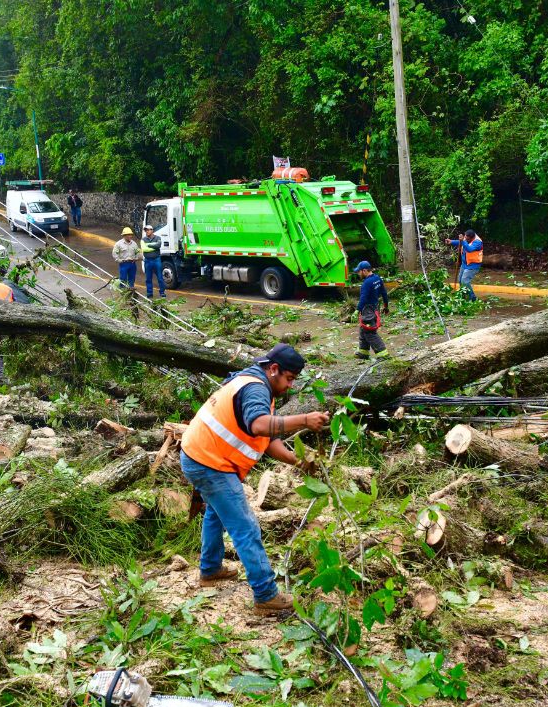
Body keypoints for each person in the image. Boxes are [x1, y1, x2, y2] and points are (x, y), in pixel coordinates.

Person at [179, 344, 331, 616]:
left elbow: (267, 440)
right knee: (246, 526)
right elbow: (260, 424)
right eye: (289, 379)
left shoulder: (256, 384)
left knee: (215, 512)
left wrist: (299, 461)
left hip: (202, 456)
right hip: (209, 462)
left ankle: (210, 570)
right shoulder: (256, 389)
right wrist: (304, 420)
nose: (290, 386)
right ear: (274, 369)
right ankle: (265, 594)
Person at [352, 260, 389, 359]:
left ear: (364, 271)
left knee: (369, 331)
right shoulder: (377, 278)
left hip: (368, 309)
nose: (358, 274)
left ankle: (383, 353)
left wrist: (357, 310)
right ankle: (363, 352)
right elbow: (384, 293)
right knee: (363, 328)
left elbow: (363, 299)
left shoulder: (366, 283)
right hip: (375, 308)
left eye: (359, 272)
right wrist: (386, 306)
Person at [445, 229, 483, 300]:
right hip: (465, 264)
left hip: (473, 265)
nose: (465, 239)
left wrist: (462, 241)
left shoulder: (478, 242)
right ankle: (464, 295)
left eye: (467, 239)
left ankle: (473, 298)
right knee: (460, 280)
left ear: (472, 238)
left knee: (465, 281)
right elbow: (462, 242)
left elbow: (469, 249)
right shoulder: (467, 238)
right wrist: (451, 242)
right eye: (465, 238)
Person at [112, 227, 141, 291]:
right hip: (124, 263)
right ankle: (122, 290)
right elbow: (114, 253)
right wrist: (119, 260)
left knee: (132, 277)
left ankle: (131, 289)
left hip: (132, 263)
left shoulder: (134, 243)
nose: (130, 236)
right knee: (123, 278)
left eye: (131, 235)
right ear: (124, 236)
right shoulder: (118, 244)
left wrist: (136, 258)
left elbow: (138, 252)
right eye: (128, 235)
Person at [141, 225, 166, 298]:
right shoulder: (143, 239)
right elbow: (144, 249)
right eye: (146, 230)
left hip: (156, 260)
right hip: (147, 260)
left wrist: (148, 245)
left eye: (148, 230)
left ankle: (162, 292)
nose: (147, 231)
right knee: (148, 278)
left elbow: (158, 245)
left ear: (152, 230)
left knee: (160, 277)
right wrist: (153, 247)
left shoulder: (158, 238)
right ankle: (149, 293)